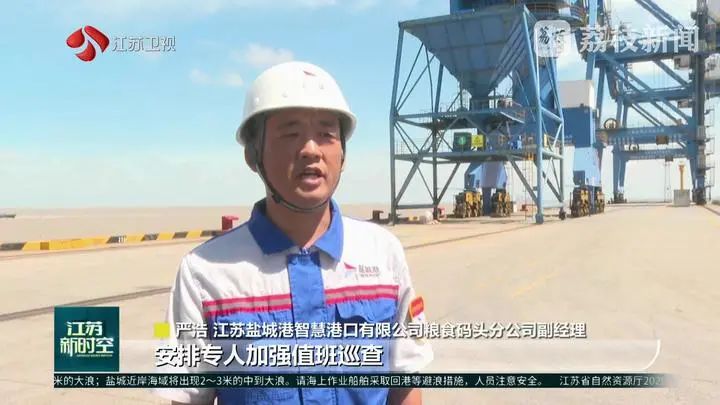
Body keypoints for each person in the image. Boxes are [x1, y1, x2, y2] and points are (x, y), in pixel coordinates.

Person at [154, 61, 432, 404]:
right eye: (290, 133)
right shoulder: (205, 272)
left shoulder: (382, 253)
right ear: (252, 155)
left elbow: (404, 381)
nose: (311, 150)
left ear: (343, 154)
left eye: (327, 134)